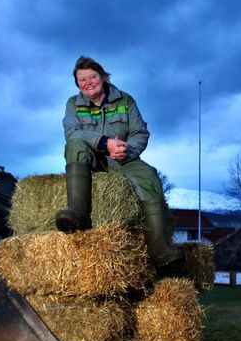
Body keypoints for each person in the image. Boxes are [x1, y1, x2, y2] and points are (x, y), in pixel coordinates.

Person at [57, 56, 183, 270]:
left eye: (92, 77)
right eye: (82, 79)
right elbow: (71, 132)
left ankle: (159, 251)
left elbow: (139, 132)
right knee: (75, 144)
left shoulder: (125, 101)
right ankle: (78, 217)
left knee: (149, 177)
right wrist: (105, 143)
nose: (88, 83)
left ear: (103, 77)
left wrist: (128, 150)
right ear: (77, 83)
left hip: (122, 158)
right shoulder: (73, 104)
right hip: (91, 158)